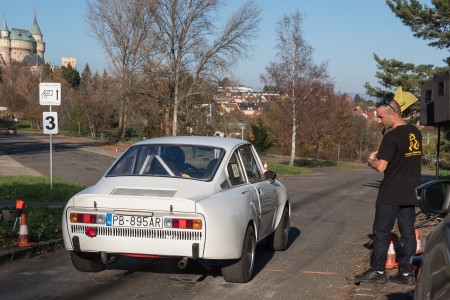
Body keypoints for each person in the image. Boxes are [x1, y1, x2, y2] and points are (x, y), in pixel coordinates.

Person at [355, 99, 422, 286]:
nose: (378, 121)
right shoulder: (415, 133)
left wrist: (371, 160)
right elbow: (401, 156)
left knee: (381, 231)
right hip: (409, 191)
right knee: (407, 232)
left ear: (393, 115)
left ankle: (378, 270)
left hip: (391, 193)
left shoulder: (391, 137)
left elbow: (382, 167)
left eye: (381, 117)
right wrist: (385, 152)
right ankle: (407, 273)